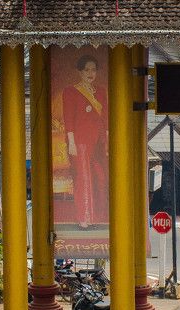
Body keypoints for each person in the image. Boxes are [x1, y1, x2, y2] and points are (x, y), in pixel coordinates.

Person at [62, 54, 108, 229]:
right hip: (80, 142)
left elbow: (106, 119)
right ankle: (84, 217)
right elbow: (69, 119)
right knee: (83, 179)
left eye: (93, 69)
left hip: (99, 141)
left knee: (100, 177)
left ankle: (97, 215)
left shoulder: (101, 91)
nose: (91, 73)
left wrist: (107, 141)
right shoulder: (71, 91)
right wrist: (71, 143)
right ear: (80, 72)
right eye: (87, 69)